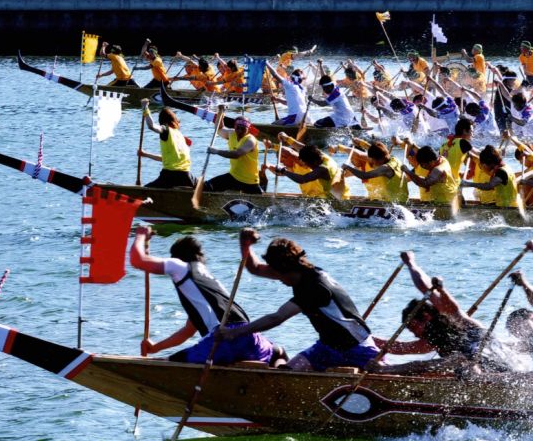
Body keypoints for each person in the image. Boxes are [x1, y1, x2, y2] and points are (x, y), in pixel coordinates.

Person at [217, 230, 380, 371]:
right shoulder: (298, 272)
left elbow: (277, 318)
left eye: (277, 273)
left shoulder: (314, 287)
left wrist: (235, 332)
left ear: (285, 268)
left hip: (357, 348)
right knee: (287, 373)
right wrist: (245, 245)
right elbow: (255, 268)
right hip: (326, 347)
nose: (277, 278)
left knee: (379, 373)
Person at [129, 227, 283, 366]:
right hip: (249, 336)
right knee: (278, 352)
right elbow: (188, 331)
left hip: (220, 340)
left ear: (177, 256)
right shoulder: (205, 278)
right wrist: (155, 347)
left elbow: (138, 261)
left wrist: (141, 236)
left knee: (167, 363)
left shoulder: (179, 266)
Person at [370, 251, 516, 376]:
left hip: (497, 365)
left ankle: (386, 370)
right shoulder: (432, 339)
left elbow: (425, 287)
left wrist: (411, 264)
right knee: (435, 365)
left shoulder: (456, 318)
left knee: (456, 362)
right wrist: (364, 338)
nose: (415, 334)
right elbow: (399, 348)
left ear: (426, 317)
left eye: (414, 327)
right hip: (487, 372)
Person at [138, 100, 195, 188]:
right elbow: (166, 159)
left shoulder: (165, 130)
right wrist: (145, 154)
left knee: (144, 190)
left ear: (162, 122)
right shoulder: (180, 136)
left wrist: (145, 108)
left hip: (169, 177)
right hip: (187, 177)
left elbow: (151, 125)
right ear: (174, 120)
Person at [267, 143, 347, 199]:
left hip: (337, 200)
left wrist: (283, 171)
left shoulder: (322, 169)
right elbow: (302, 147)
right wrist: (275, 145)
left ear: (311, 160)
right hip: (340, 195)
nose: (307, 166)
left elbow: (303, 179)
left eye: (307, 163)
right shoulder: (324, 157)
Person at [205, 116, 262, 194]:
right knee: (206, 186)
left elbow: (237, 154)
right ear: (234, 126)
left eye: (243, 128)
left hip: (249, 181)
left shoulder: (251, 140)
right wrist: (220, 113)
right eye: (238, 127)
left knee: (259, 202)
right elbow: (219, 128)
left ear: (248, 129)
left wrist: (217, 151)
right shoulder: (231, 133)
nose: (240, 130)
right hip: (234, 176)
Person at [341, 140, 408, 203]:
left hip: (395, 204)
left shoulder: (385, 168)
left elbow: (365, 176)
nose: (372, 162)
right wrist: (362, 143)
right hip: (401, 200)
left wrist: (348, 167)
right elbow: (378, 150)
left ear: (379, 158)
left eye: (373, 160)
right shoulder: (395, 159)